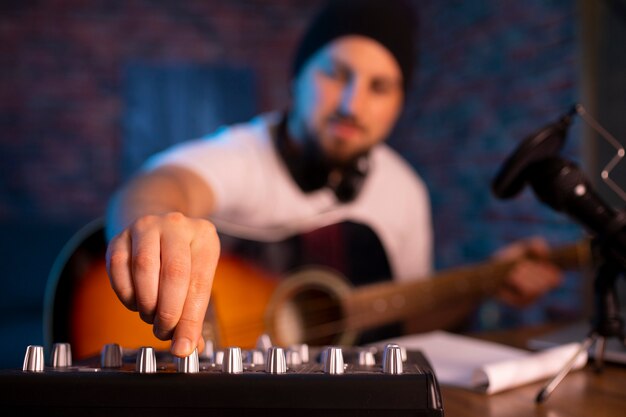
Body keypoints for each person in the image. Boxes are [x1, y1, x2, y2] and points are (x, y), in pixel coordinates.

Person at [105, 0, 562, 358]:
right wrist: (157, 225)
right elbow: (161, 186)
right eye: (335, 73)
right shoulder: (243, 152)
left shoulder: (406, 191)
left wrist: (487, 283)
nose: (351, 103)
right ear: (297, 77)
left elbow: (403, 318)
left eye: (378, 87)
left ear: (399, 105)